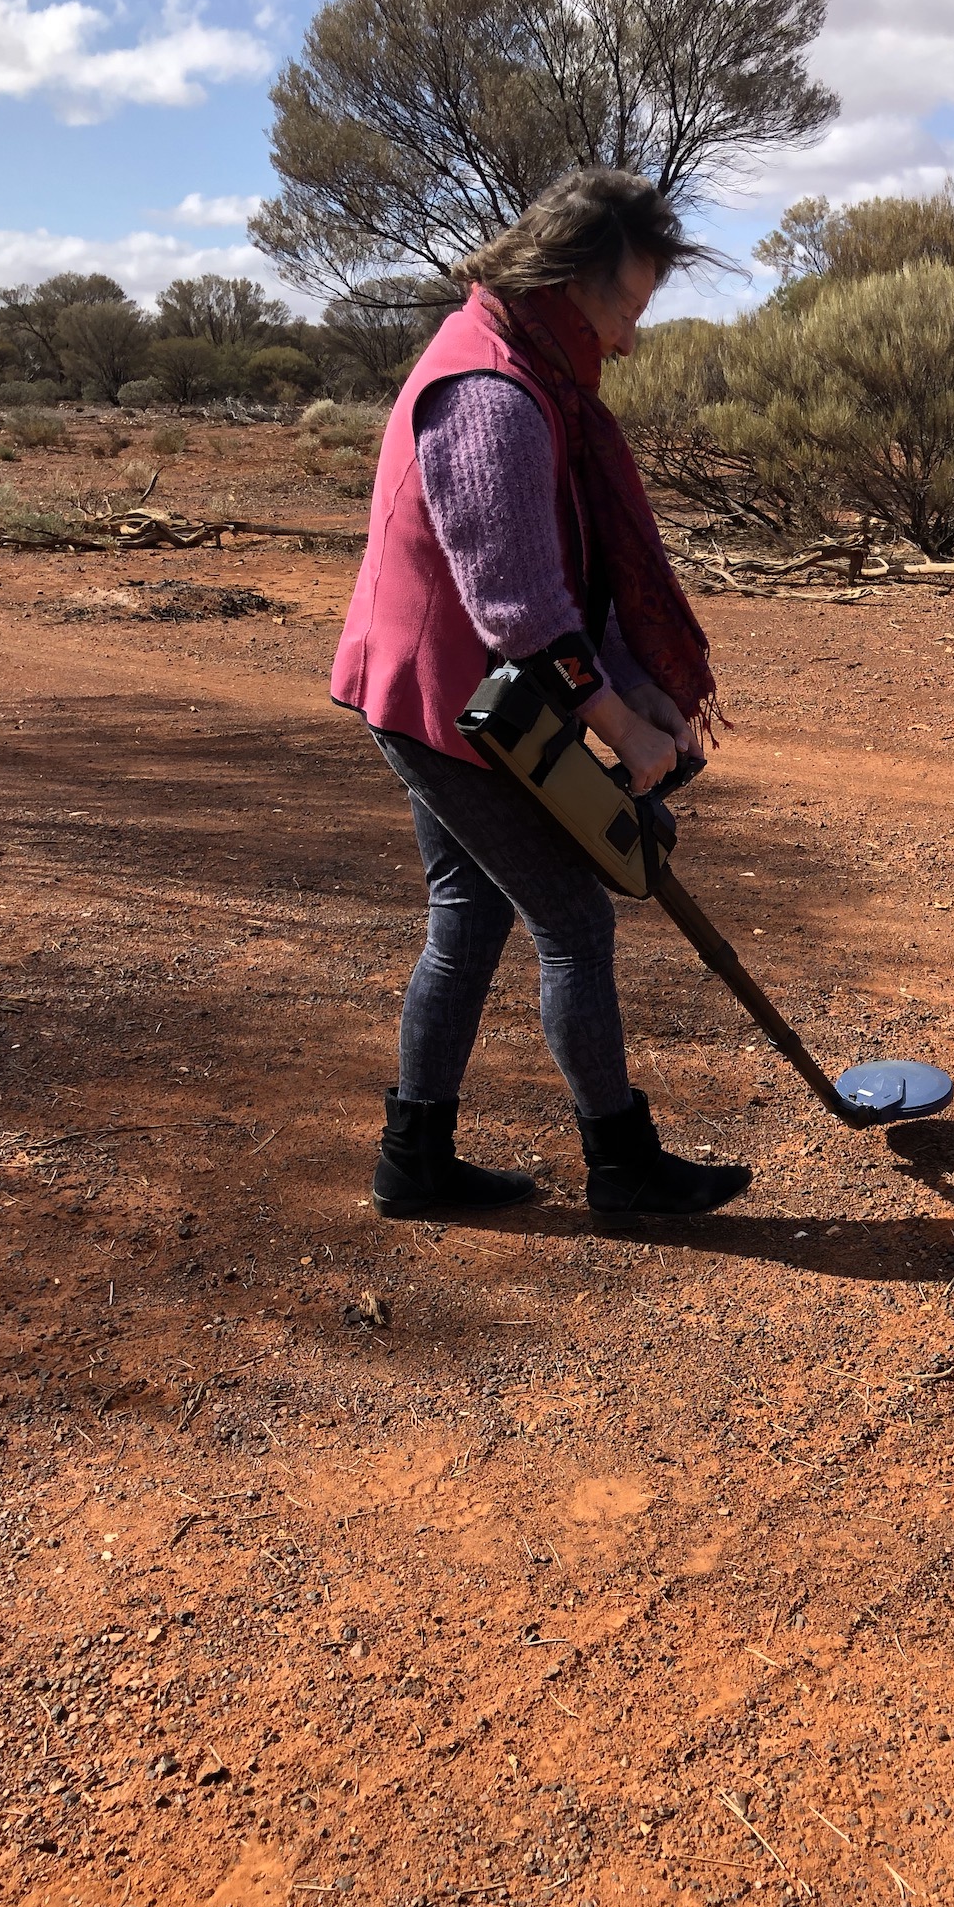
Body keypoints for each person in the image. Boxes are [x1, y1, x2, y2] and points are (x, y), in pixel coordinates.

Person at [331, 167, 752, 1222]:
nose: (628, 340)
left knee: (469, 912)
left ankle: (415, 1159)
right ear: (565, 283)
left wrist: (639, 691)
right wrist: (617, 726)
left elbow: (567, 576)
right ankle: (621, 1164)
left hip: (458, 688)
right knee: (572, 920)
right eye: (624, 308)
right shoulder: (491, 394)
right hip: (448, 700)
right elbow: (519, 610)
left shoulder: (527, 367)